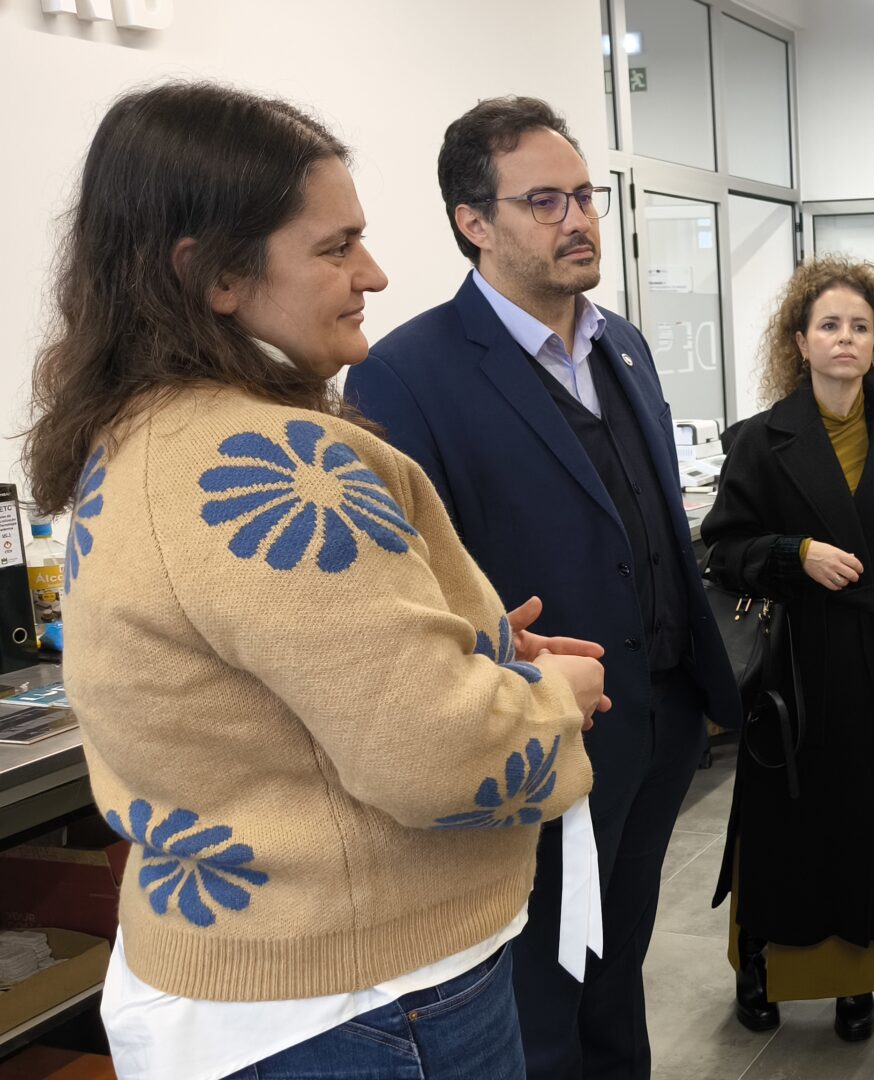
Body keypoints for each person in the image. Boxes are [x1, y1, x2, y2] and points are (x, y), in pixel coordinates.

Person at [23, 82, 608, 1079]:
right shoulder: (276, 464)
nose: (373, 273)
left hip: (251, 981)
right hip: (365, 997)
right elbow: (438, 756)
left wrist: (469, 652)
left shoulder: (139, 440)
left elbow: (277, 684)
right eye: (336, 248)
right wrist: (553, 694)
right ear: (214, 273)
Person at [343, 97, 740, 1078]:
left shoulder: (622, 344)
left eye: (584, 197)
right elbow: (406, 593)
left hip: (659, 718)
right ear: (473, 222)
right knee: (542, 987)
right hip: (537, 734)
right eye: (545, 202)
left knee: (618, 962)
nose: (578, 220)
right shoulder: (406, 376)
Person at [702, 255, 874, 1044]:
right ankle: (760, 963)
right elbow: (724, 550)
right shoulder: (760, 441)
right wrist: (796, 554)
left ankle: (858, 978)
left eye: (860, 327)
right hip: (794, 663)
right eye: (829, 326)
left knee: (868, 821)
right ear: (800, 341)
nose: (845, 339)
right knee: (783, 823)